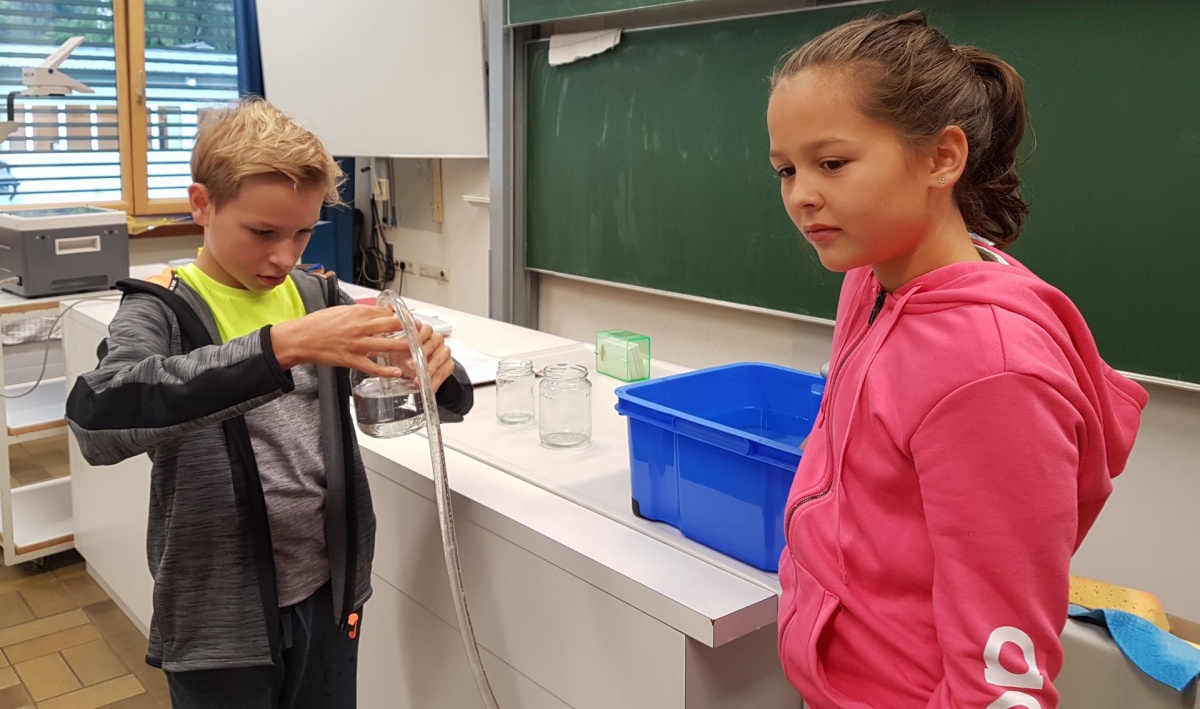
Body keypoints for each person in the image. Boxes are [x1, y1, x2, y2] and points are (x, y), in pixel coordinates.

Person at [767, 12, 1147, 708]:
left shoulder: (991, 372)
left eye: (832, 163)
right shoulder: (872, 278)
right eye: (786, 169)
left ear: (942, 158)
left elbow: (1004, 665)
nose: (801, 195)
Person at [66, 98, 474, 709]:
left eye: (302, 232)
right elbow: (98, 420)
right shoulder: (162, 309)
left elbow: (451, 400)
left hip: (331, 596)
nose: (285, 257)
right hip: (218, 620)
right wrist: (281, 347)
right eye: (262, 233)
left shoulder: (318, 296)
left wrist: (434, 371)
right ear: (201, 204)